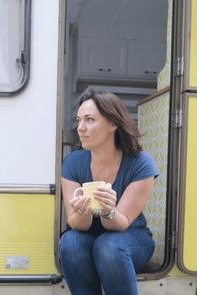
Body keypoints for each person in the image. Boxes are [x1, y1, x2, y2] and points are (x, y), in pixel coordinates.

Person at [59, 90, 159, 295]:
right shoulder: (72, 163)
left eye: (89, 120)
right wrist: (82, 212)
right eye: (79, 120)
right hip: (88, 235)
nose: (81, 128)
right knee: (70, 242)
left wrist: (107, 210)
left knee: (108, 245)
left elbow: (120, 224)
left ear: (113, 124)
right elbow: (77, 224)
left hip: (130, 236)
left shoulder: (141, 164)